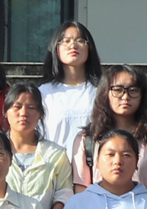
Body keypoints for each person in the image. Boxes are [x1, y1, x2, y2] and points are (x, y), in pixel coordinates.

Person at [71, 64, 147, 208]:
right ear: (105, 93)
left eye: (133, 90)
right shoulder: (87, 139)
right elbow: (81, 190)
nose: (125, 97)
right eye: (118, 90)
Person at [0, 83, 72, 209]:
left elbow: (63, 197)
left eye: (31, 107)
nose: (24, 113)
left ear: (40, 114)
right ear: (6, 111)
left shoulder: (55, 154)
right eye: (17, 106)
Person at [37, 21, 102, 154]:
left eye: (80, 40)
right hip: (54, 164)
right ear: (56, 48)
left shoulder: (101, 91)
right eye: (66, 41)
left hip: (93, 164)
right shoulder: (44, 93)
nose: (73, 45)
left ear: (89, 48)